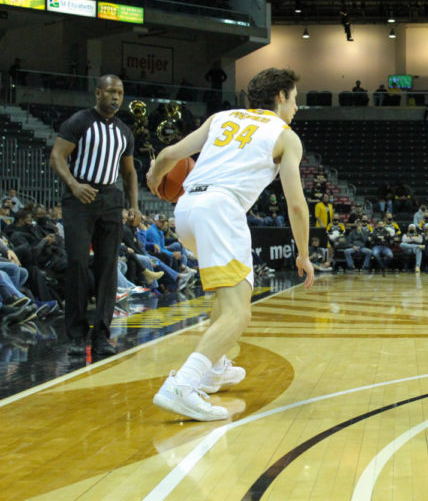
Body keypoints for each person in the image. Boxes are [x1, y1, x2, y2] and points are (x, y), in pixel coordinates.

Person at [147, 67, 315, 421]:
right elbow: (296, 204)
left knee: (228, 297)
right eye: (295, 99)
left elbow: (167, 156)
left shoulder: (221, 118)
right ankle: (184, 385)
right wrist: (303, 253)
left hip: (187, 209)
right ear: (281, 96)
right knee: (240, 312)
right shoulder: (285, 136)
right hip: (221, 210)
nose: (296, 108)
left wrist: (155, 179)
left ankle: (215, 367)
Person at [49, 75, 140, 359]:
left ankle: (101, 334)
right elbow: (57, 156)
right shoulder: (79, 121)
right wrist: (74, 185)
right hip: (79, 198)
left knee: (108, 267)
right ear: (98, 93)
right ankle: (76, 335)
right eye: (111, 91)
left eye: (120, 93)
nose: (116, 97)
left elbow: (128, 172)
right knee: (76, 262)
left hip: (110, 199)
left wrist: (134, 206)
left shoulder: (125, 131)